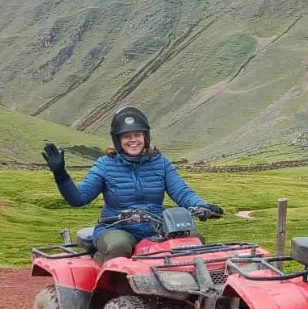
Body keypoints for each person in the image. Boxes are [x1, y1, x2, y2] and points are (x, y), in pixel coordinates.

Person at [42, 105, 223, 262]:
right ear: (118, 141)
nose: (133, 140)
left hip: (157, 227)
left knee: (193, 238)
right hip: (116, 227)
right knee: (119, 246)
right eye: (127, 136)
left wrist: (201, 205)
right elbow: (79, 198)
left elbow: (182, 192)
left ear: (146, 137)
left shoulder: (161, 163)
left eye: (137, 134)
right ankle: (111, 295)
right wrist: (61, 174)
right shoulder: (105, 165)